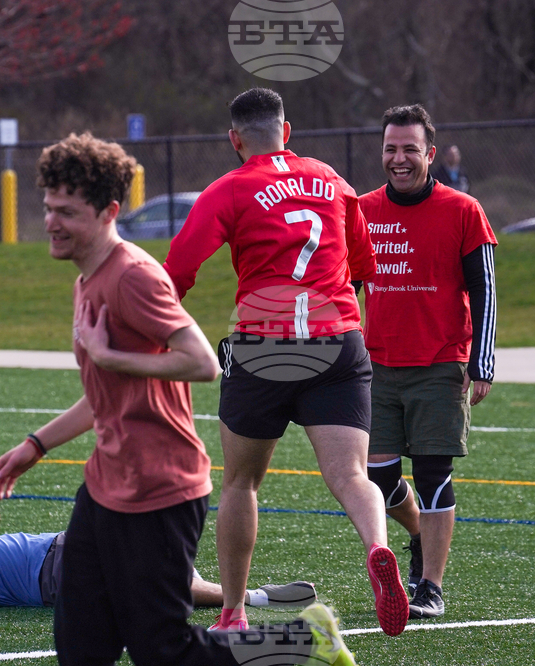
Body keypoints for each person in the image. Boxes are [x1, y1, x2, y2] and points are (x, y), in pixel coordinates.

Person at [0, 132, 356, 666]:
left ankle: (304, 641)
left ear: (109, 211)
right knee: (81, 645)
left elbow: (201, 361)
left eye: (67, 211)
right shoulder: (85, 278)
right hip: (106, 485)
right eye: (47, 208)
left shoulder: (133, 276)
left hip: (161, 490)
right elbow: (104, 394)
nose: (51, 222)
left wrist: (114, 358)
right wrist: (36, 444)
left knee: (163, 651)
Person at [163, 87, 408, 637]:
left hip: (265, 344)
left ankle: (232, 612)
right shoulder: (332, 179)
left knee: (241, 485)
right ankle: (376, 546)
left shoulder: (229, 189)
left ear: (235, 139)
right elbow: (363, 261)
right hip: (338, 339)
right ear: (287, 131)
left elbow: (180, 265)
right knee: (350, 475)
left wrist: (157, 324)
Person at [360, 105, 497, 620]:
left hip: (442, 362)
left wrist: (482, 361)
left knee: (434, 473)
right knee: (378, 478)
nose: (399, 159)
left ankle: (431, 590)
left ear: (430, 154)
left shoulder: (463, 210)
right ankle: (416, 536)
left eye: (410, 149)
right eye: (391, 149)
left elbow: (484, 288)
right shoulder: (362, 209)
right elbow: (345, 285)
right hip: (375, 366)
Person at [0, 502, 318, 611]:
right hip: (58, 571)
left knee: (159, 557)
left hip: (64, 550)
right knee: (158, 579)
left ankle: (243, 597)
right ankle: (250, 599)